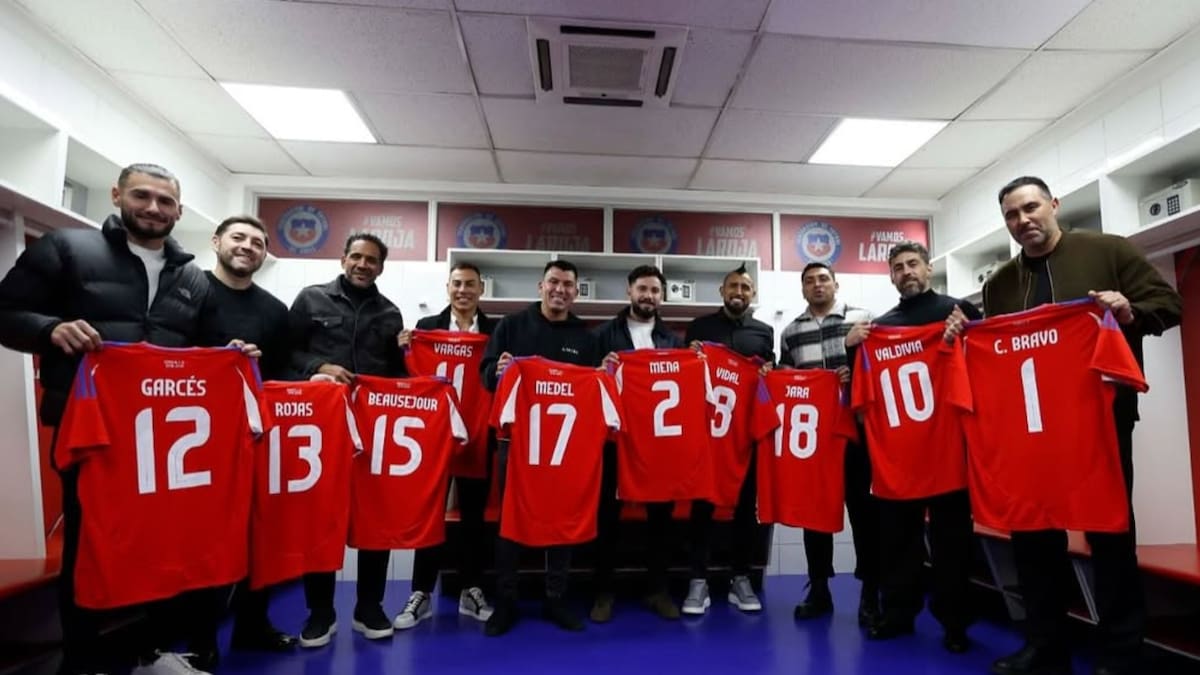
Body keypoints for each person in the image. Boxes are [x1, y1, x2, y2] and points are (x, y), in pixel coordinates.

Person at [949, 176, 1182, 675]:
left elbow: (1170, 306)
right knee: (1033, 535)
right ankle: (1045, 644)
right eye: (1012, 215)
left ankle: (1122, 651)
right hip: (1027, 428)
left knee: (1110, 533)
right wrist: (964, 331)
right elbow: (996, 350)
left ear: (1054, 205)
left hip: (1099, 418)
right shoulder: (1000, 284)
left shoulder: (1107, 251)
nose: (1023, 220)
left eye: (1031, 207)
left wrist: (1129, 311)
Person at [0, 163, 213, 675]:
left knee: (161, 544)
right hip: (87, 429)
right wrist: (50, 329)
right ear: (118, 195)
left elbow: (200, 350)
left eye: (166, 201)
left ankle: (150, 652)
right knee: (90, 545)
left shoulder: (192, 277)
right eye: (143, 196)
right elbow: (5, 312)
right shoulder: (67, 249)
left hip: (163, 438)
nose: (154, 208)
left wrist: (231, 353)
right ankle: (82, 660)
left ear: (179, 211)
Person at [848, 241, 978, 654]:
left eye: (913, 264)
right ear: (891, 276)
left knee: (951, 545)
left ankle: (955, 622)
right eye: (898, 267)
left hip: (947, 450)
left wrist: (968, 332)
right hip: (896, 456)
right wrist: (852, 348)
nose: (906, 271)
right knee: (897, 545)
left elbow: (985, 367)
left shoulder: (958, 311)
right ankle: (898, 615)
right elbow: (858, 396)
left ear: (928, 268)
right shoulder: (879, 329)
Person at [185, 215, 295, 670]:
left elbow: (287, 370)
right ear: (217, 242)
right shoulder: (187, 293)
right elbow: (165, 354)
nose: (247, 247)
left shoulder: (274, 309)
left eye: (257, 242)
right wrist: (215, 360)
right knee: (205, 543)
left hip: (258, 436)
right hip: (197, 439)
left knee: (259, 535)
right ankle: (200, 640)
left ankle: (252, 624)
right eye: (238, 238)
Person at [287, 233, 406, 647]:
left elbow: (397, 376)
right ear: (343, 259)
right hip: (320, 427)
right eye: (356, 256)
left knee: (376, 518)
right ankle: (320, 612)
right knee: (318, 519)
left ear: (381, 267)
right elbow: (286, 353)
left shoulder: (390, 313)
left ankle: (368, 607)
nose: (363, 264)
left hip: (374, 431)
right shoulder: (310, 299)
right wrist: (319, 365)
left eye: (372, 260)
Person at [479, 259, 600, 637]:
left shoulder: (586, 337)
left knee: (562, 518)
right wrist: (496, 373)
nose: (560, 289)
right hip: (515, 443)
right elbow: (486, 376)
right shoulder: (511, 326)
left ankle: (556, 597)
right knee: (509, 519)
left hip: (566, 448)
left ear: (576, 292)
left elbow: (595, 389)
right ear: (540, 286)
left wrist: (606, 374)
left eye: (568, 284)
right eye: (553, 282)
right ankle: (507, 600)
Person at [394, 262, 497, 629]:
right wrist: (405, 350)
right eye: (457, 284)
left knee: (474, 518)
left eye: (471, 284)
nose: (463, 290)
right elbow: (412, 377)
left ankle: (472, 589)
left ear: (481, 289)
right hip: (433, 437)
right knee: (430, 515)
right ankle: (421, 592)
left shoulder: (496, 330)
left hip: (478, 433)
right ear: (448, 287)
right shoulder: (426, 329)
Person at [779, 261, 880, 627]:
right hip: (814, 439)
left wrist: (854, 372)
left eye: (823, 279)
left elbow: (878, 368)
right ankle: (819, 588)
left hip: (856, 433)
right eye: (809, 281)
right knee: (813, 515)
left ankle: (871, 592)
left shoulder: (863, 318)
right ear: (803, 289)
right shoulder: (790, 332)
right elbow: (786, 379)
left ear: (836, 283)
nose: (817, 285)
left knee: (864, 514)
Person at [589, 264, 684, 623]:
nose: (648, 296)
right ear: (629, 291)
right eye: (642, 289)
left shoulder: (672, 340)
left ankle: (657, 590)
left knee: (661, 520)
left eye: (655, 291)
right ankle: (603, 592)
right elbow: (587, 383)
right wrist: (600, 370)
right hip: (615, 441)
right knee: (608, 518)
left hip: (659, 445)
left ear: (662, 296)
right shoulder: (601, 335)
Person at [682, 263, 774, 615]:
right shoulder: (701, 328)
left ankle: (741, 578)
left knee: (744, 511)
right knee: (701, 508)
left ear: (752, 294)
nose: (738, 292)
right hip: (706, 438)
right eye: (732, 286)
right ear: (722, 292)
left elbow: (770, 377)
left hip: (744, 437)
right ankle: (697, 580)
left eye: (745, 287)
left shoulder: (764, 332)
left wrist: (767, 371)